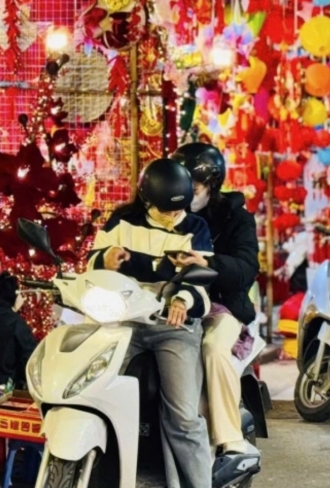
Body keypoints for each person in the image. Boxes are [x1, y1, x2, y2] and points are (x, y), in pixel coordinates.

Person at [90, 158, 213, 488]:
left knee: (184, 417)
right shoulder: (122, 221)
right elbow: (93, 262)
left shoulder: (196, 229)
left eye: (179, 209)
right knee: (91, 393)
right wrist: (105, 259)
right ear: (147, 201)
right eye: (165, 210)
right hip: (123, 320)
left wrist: (182, 299)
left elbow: (200, 281)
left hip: (173, 328)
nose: (174, 216)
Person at [170, 142, 260, 475]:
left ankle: (231, 442)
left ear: (211, 184)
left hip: (221, 307)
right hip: (169, 303)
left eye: (192, 188)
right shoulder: (165, 212)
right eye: (179, 186)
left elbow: (245, 267)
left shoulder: (236, 217)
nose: (185, 194)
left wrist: (206, 261)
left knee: (212, 348)